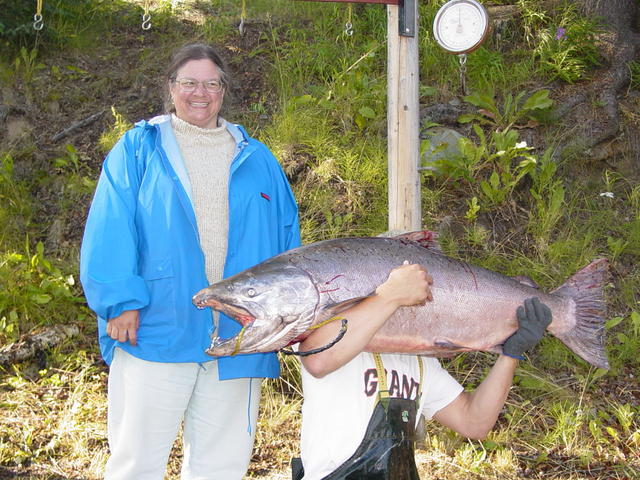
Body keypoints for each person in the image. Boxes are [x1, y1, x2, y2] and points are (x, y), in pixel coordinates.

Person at [80, 43, 300, 480]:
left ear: (223, 91)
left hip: (240, 334)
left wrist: (284, 318)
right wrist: (121, 300)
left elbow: (287, 246)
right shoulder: (140, 148)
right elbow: (110, 225)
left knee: (222, 465)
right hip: (157, 327)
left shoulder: (259, 159)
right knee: (136, 463)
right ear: (171, 89)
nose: (200, 93)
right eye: (189, 83)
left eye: (211, 84)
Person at [293, 263, 552, 480]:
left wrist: (511, 354)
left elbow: (474, 422)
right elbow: (318, 360)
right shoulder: (333, 334)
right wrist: (387, 296)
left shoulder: (420, 363)